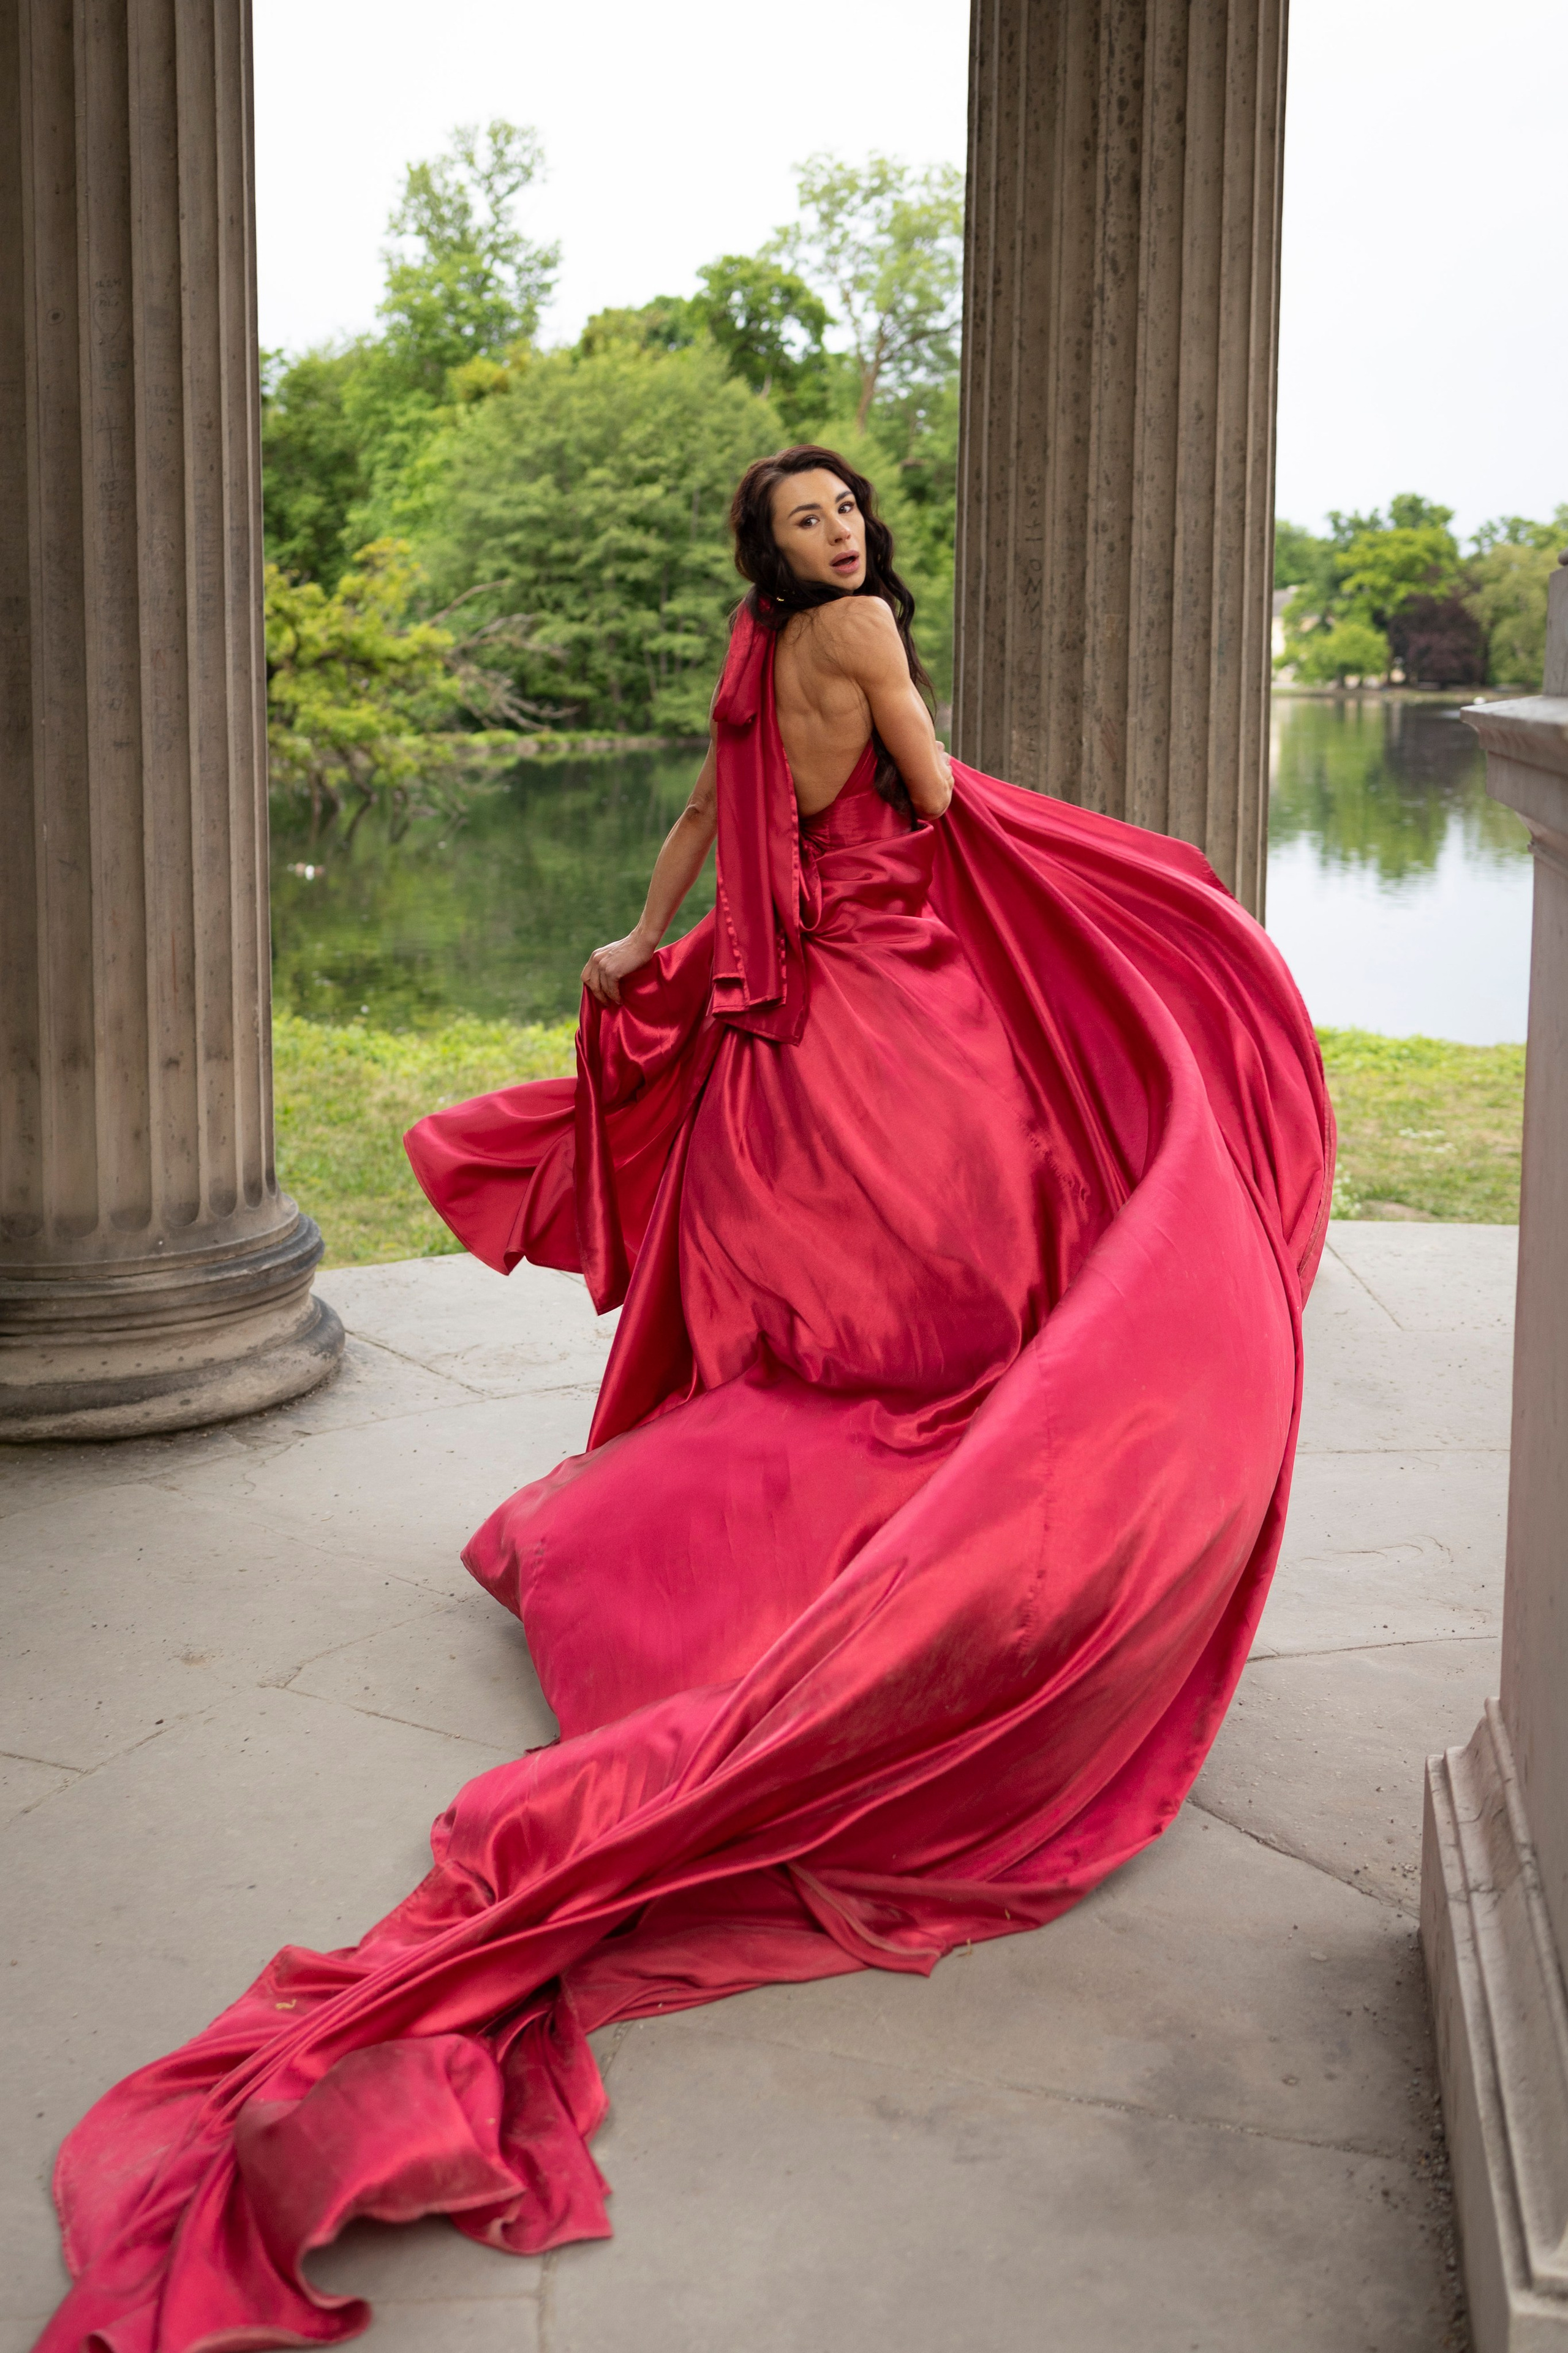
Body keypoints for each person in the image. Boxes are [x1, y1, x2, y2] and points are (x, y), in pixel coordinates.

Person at [36, 449, 1333, 2353]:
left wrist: (653, 938)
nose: (840, 534)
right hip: (886, 991)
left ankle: (767, 1541)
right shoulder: (859, 632)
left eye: (845, 511)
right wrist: (1112, 889)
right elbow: (942, 799)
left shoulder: (752, 645)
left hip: (778, 1012)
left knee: (825, 1312)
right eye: (809, 521)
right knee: (979, 1278)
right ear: (776, 551)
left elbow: (713, 816)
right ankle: (953, 1556)